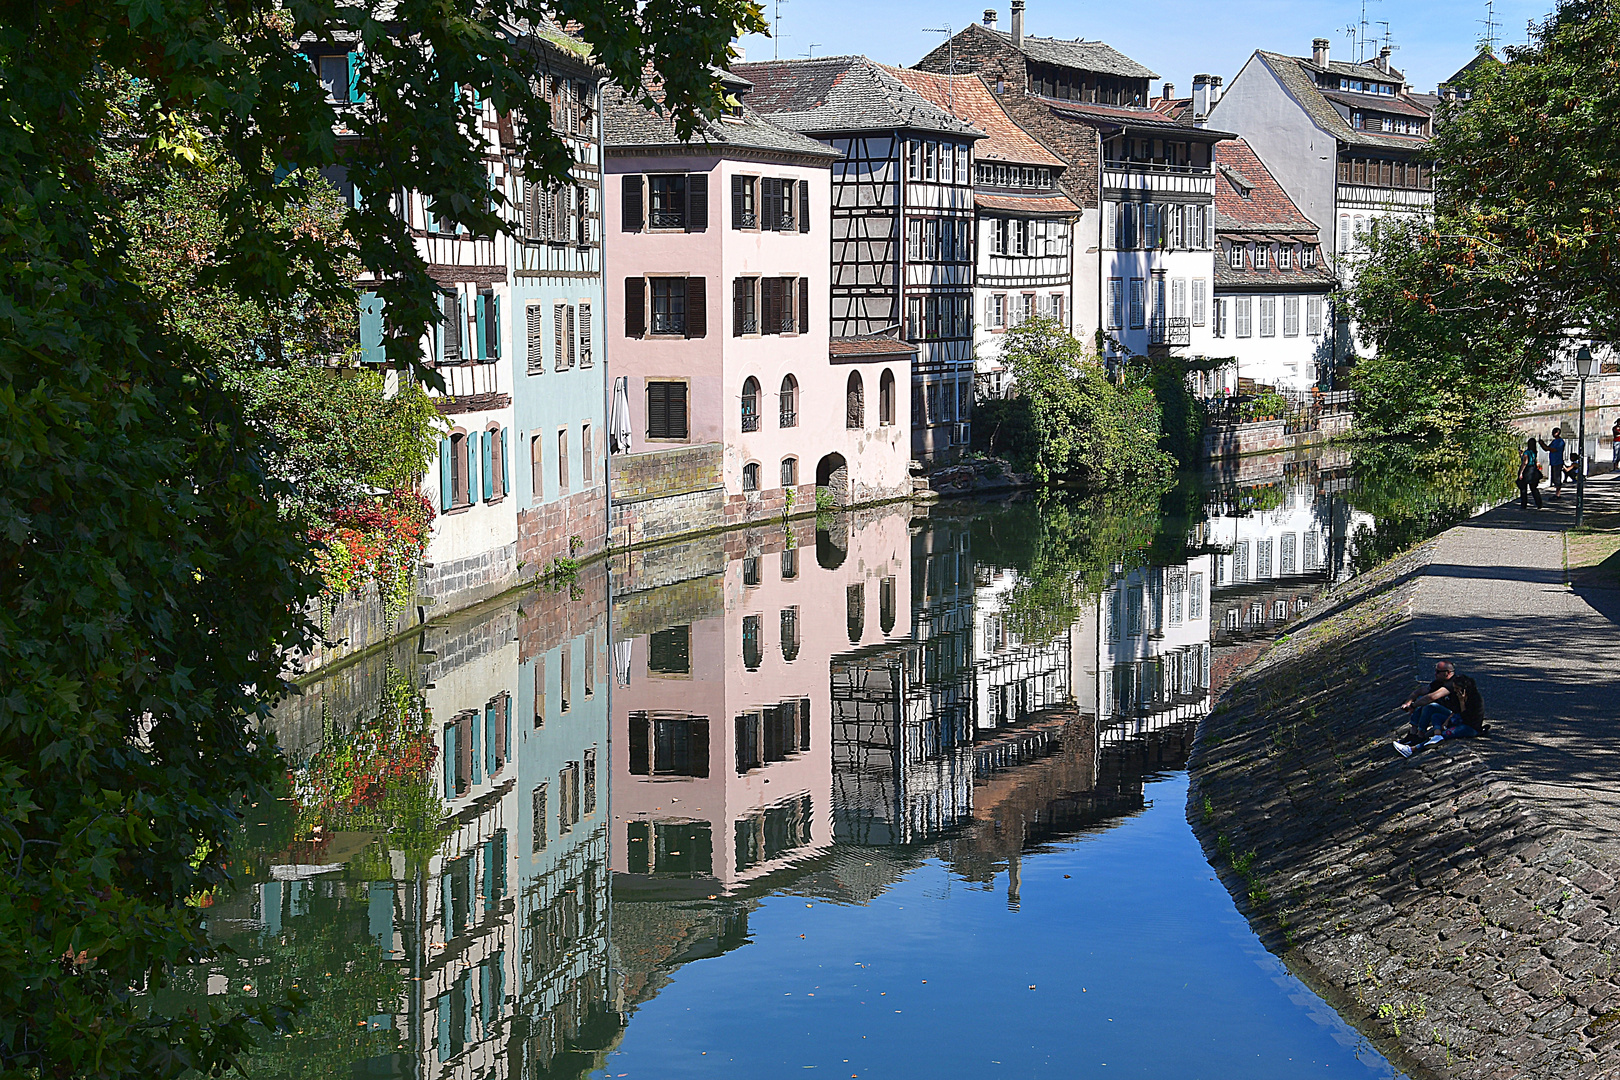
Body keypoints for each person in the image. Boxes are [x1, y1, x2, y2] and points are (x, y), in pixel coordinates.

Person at [1394, 660, 1486, 757]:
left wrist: (1462, 702)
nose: (1454, 691)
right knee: (1435, 716)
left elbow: (1466, 718)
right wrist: (1447, 720)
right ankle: (1418, 735)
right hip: (1457, 718)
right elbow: (1421, 692)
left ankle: (1412, 749)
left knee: (1443, 733)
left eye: (1438, 671)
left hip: (1469, 726)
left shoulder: (1475, 700)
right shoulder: (1441, 684)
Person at [1518, 436, 1543, 510]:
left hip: (1527, 470)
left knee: (1523, 488)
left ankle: (1524, 504)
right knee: (1533, 488)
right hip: (1533, 470)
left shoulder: (1526, 452)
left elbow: (1525, 462)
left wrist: (1521, 473)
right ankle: (1539, 503)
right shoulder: (1534, 452)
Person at [1540, 428, 1568, 495]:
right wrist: (1542, 444)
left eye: (1554, 432)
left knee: (1557, 478)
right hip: (1553, 462)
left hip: (1558, 462)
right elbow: (1546, 449)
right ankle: (1556, 492)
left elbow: (1552, 449)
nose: (1553, 434)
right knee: (1554, 478)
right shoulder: (1554, 441)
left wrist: (1543, 444)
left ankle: (1558, 494)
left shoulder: (1560, 442)